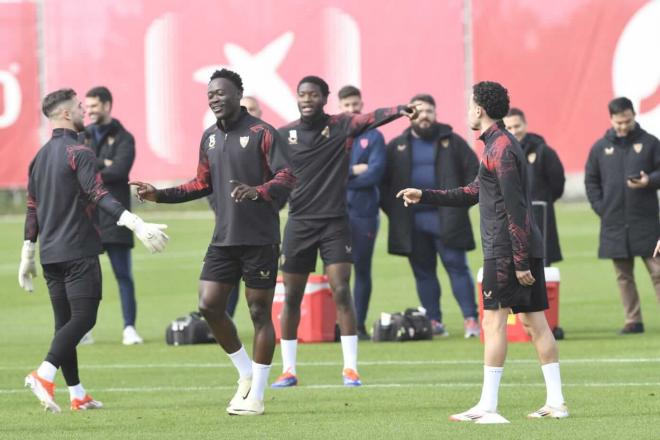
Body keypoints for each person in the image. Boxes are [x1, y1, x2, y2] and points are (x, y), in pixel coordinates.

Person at [397, 81, 567, 422]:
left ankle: (488, 407)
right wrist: (424, 195)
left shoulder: (500, 148)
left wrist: (518, 260)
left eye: (469, 105)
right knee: (535, 324)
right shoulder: (498, 144)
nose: (466, 111)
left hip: (506, 249)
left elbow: (515, 208)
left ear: (479, 109)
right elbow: (474, 192)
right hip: (519, 247)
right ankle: (557, 403)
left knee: (493, 322)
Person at [131, 69, 295, 416]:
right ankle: (246, 373)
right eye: (210, 95)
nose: (215, 98)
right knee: (209, 305)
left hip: (260, 239)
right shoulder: (209, 138)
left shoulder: (262, 133)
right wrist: (159, 195)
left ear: (239, 94)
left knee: (258, 313)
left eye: (221, 93)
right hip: (224, 239)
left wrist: (258, 191)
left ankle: (258, 396)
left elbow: (287, 176)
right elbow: (200, 183)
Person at [19, 88, 169, 413]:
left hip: (50, 255)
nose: (82, 112)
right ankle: (44, 374)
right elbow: (98, 193)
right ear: (63, 114)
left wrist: (27, 254)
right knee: (84, 319)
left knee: (65, 326)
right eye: (77, 107)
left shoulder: (39, 157)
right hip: (79, 251)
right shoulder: (80, 151)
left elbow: (32, 208)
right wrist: (136, 223)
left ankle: (77, 393)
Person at [271, 75, 419, 388]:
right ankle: (288, 369)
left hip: (335, 222)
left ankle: (350, 369)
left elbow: (373, 117)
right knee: (292, 297)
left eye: (313, 94)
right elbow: (272, 174)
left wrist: (401, 109)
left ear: (325, 98)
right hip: (299, 223)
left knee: (341, 289)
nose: (307, 99)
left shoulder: (342, 125)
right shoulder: (285, 135)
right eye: (302, 95)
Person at [381, 93, 480, 338]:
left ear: (436, 114)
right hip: (412, 222)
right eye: (419, 111)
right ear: (409, 115)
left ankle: (471, 320)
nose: (424, 116)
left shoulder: (453, 142)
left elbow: (476, 176)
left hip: (447, 219)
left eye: (429, 111)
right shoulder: (396, 146)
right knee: (423, 273)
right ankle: (434, 321)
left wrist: (460, 204)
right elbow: (383, 186)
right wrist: (395, 210)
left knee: (457, 268)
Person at [585, 97, 660, 335]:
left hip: (646, 221)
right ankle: (633, 320)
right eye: (619, 122)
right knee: (623, 276)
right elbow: (591, 181)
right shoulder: (599, 148)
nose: (623, 126)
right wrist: (601, 207)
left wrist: (650, 181)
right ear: (611, 119)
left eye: (627, 121)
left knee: (658, 272)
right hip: (614, 222)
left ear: (634, 115)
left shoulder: (650, 143)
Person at [82, 86, 142, 345]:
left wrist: (92, 167)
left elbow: (119, 172)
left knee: (123, 276)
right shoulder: (81, 136)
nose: (89, 111)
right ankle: (83, 330)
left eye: (94, 106)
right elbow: (76, 168)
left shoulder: (124, 137)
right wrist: (103, 164)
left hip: (116, 217)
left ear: (107, 105)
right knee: (86, 279)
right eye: (87, 106)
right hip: (87, 218)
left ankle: (129, 328)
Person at [338, 85, 386, 340]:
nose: (352, 109)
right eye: (346, 106)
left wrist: (343, 178)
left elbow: (375, 173)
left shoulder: (374, 136)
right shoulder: (333, 136)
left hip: (364, 212)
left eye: (355, 105)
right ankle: (338, 324)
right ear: (339, 107)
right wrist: (354, 170)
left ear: (362, 104)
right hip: (334, 212)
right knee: (335, 270)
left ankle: (358, 324)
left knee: (362, 269)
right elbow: (326, 173)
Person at [504, 108, 565, 264]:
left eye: (517, 126)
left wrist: (542, 199)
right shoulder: (502, 153)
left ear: (525, 125)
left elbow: (557, 183)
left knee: (541, 266)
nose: (514, 131)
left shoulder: (543, 151)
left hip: (539, 215)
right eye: (509, 128)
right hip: (511, 217)